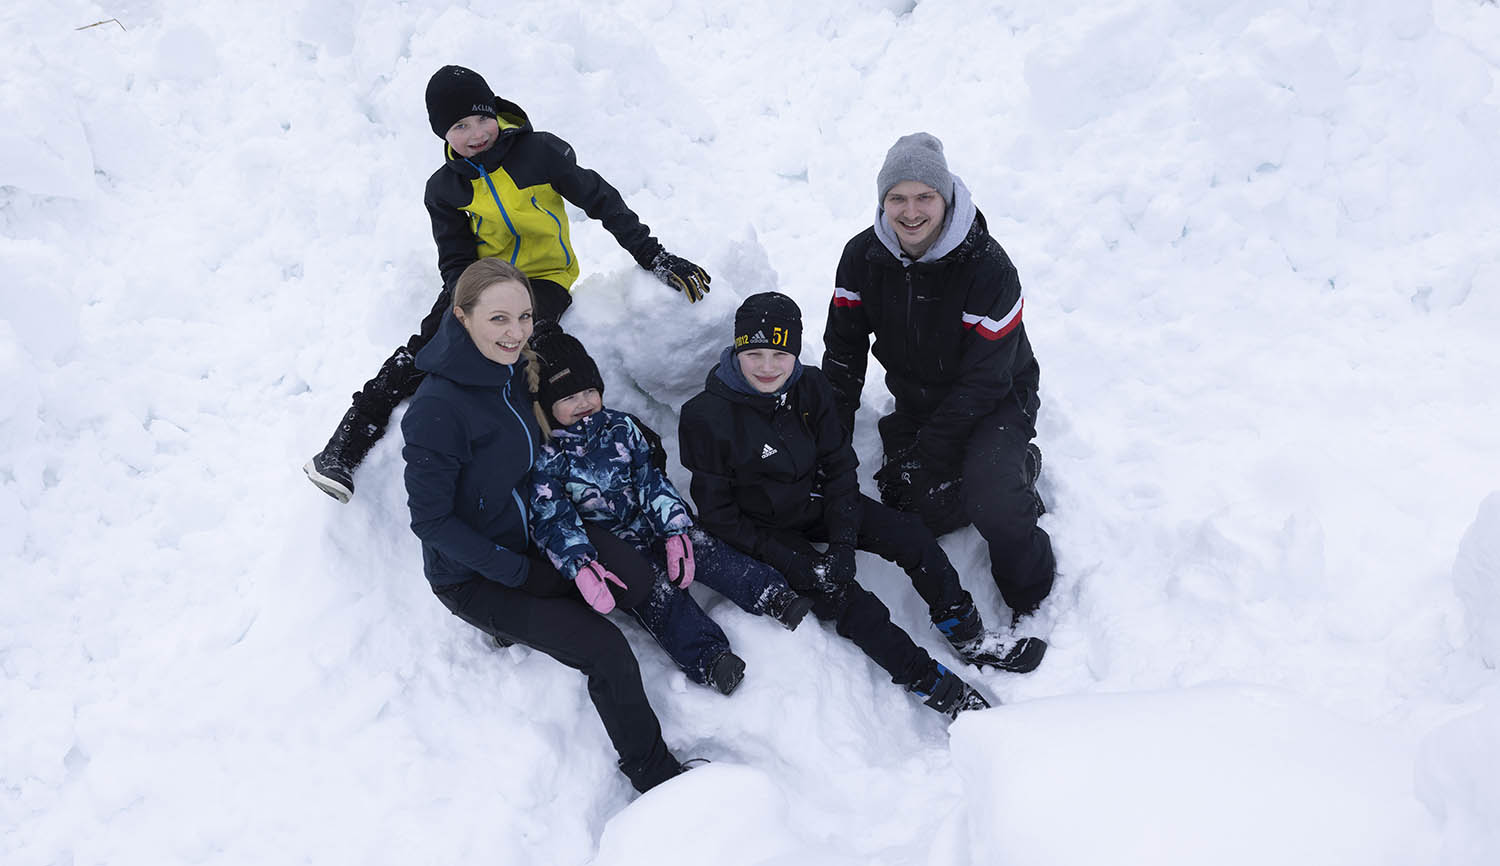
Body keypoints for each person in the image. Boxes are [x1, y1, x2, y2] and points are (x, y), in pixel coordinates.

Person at [308, 64, 711, 503]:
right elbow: (456, 256)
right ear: (443, 134)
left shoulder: (540, 153)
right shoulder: (444, 188)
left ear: (497, 113)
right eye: (460, 126)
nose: (477, 132)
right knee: (424, 349)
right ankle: (345, 446)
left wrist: (652, 253)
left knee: (527, 344)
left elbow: (602, 200)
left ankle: (589, 453)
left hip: (545, 277)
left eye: (483, 118)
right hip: (479, 280)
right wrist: (472, 302)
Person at [680, 293, 1040, 722]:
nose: (766, 366)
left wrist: (843, 544)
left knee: (911, 536)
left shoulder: (810, 388)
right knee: (853, 605)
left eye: (779, 353)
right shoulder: (706, 417)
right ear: (737, 351)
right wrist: (803, 568)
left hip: (817, 504)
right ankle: (931, 682)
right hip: (763, 533)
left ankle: (967, 633)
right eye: (753, 353)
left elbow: (838, 465)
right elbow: (721, 518)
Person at [400, 258, 686, 793]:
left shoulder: (512, 372)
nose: (515, 333)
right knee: (606, 651)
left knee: (638, 582)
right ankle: (655, 773)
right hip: (477, 573)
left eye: (525, 317)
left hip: (536, 531)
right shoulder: (437, 410)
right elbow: (431, 521)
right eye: (499, 319)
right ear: (461, 318)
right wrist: (514, 572)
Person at [822, 132, 1055, 624]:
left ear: (945, 198)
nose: (910, 212)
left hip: (999, 399)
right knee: (909, 504)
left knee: (991, 498)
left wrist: (929, 453)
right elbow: (844, 352)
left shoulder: (989, 268)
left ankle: (1029, 593)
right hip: (919, 401)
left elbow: (987, 382)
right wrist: (830, 437)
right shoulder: (862, 256)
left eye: (924, 197)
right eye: (897, 198)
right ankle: (978, 477)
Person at [529, 333, 817, 695]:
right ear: (546, 406)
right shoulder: (547, 458)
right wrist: (582, 566)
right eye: (569, 397)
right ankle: (710, 658)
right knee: (657, 596)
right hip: (617, 554)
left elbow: (651, 480)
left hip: (653, 525)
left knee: (705, 548)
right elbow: (553, 519)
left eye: (589, 391)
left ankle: (770, 593)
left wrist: (675, 529)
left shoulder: (622, 428)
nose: (584, 403)